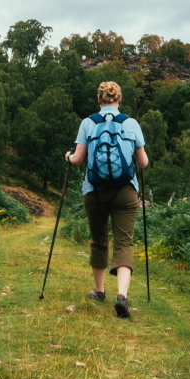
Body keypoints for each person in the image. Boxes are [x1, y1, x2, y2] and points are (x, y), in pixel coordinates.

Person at [65, 81, 148, 318]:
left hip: (94, 190)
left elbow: (78, 159)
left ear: (99, 100)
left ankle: (100, 291)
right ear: (119, 99)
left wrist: (68, 157)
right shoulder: (131, 124)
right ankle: (121, 296)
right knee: (124, 242)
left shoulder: (88, 123)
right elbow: (142, 163)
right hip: (125, 190)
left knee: (98, 239)